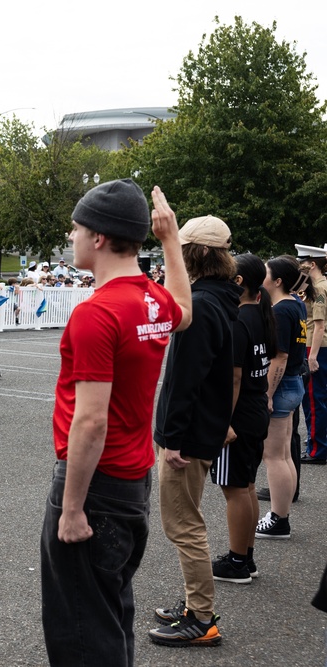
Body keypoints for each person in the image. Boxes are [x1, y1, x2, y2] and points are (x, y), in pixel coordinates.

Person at [39, 180, 191, 666]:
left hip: (97, 486)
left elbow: (90, 423)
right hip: (131, 481)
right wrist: (170, 241)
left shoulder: (97, 312)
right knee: (109, 614)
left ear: (99, 238)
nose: (71, 234)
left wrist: (71, 507)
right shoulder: (151, 299)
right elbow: (184, 311)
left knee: (81, 629)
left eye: (77, 228)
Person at [151, 215, 240, 648]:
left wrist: (172, 438)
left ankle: (201, 618)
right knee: (188, 521)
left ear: (199, 254)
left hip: (187, 436)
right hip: (204, 427)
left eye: (180, 247)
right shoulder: (223, 297)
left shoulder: (201, 305)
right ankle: (194, 605)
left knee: (183, 525)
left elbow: (187, 377)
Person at [208, 253, 273, 584]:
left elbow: (233, 378)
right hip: (256, 407)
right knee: (246, 485)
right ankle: (245, 557)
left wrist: (224, 421)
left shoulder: (237, 319)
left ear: (238, 283)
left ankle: (236, 561)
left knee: (235, 488)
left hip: (240, 411)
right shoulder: (260, 314)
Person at [255, 255, 308, 538]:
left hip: (283, 384)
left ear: (277, 281)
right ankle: (280, 514)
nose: (260, 276)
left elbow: (280, 357)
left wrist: (267, 393)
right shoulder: (296, 303)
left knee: (274, 456)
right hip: (294, 383)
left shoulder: (281, 310)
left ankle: (278, 519)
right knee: (284, 454)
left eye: (265, 273)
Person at [296, 244, 327, 464]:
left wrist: (312, 356)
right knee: (317, 398)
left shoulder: (319, 287)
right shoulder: (317, 284)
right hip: (317, 346)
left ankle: (317, 450)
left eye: (302, 263)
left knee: (314, 400)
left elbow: (319, 325)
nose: (300, 267)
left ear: (312, 264)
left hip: (315, 346)